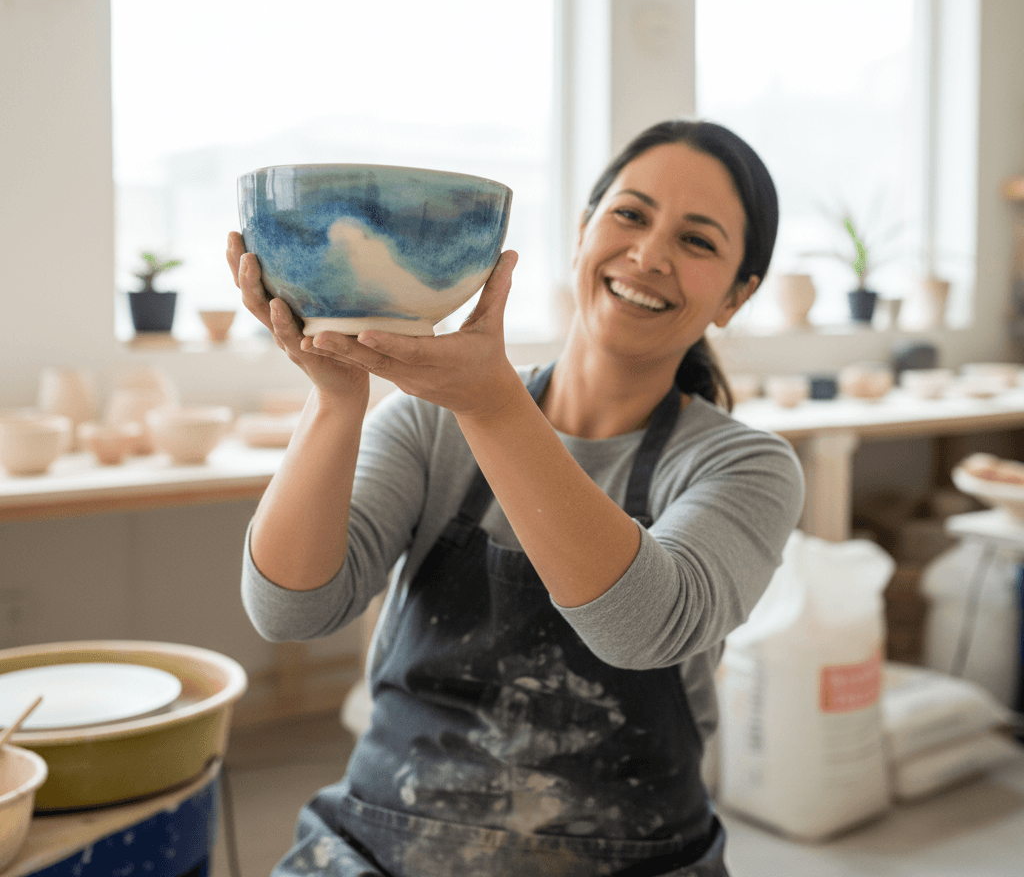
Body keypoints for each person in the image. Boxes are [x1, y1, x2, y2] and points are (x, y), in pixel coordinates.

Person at [228, 119, 804, 876]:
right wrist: (336, 400)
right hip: (384, 846)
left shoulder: (745, 466)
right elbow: (292, 609)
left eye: (697, 242)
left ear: (737, 295)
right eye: (630, 215)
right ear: (582, 232)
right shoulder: (430, 423)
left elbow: (643, 627)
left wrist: (493, 405)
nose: (650, 255)